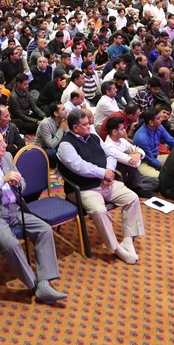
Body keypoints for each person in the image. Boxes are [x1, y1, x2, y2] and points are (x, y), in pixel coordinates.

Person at [0, 130, 67, 304]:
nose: (5, 145)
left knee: (44, 229)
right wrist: (2, 180)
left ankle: (44, 281)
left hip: (15, 209)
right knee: (11, 244)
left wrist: (18, 183)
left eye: (3, 141)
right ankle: (34, 286)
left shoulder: (7, 157)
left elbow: (22, 183)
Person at [56, 109, 144, 264]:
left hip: (105, 182)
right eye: (85, 125)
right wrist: (103, 173)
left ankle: (128, 239)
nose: (89, 126)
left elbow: (110, 154)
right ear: (75, 128)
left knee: (132, 198)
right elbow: (79, 167)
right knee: (99, 211)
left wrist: (109, 171)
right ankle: (116, 248)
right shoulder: (65, 145)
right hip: (83, 188)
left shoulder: (93, 136)